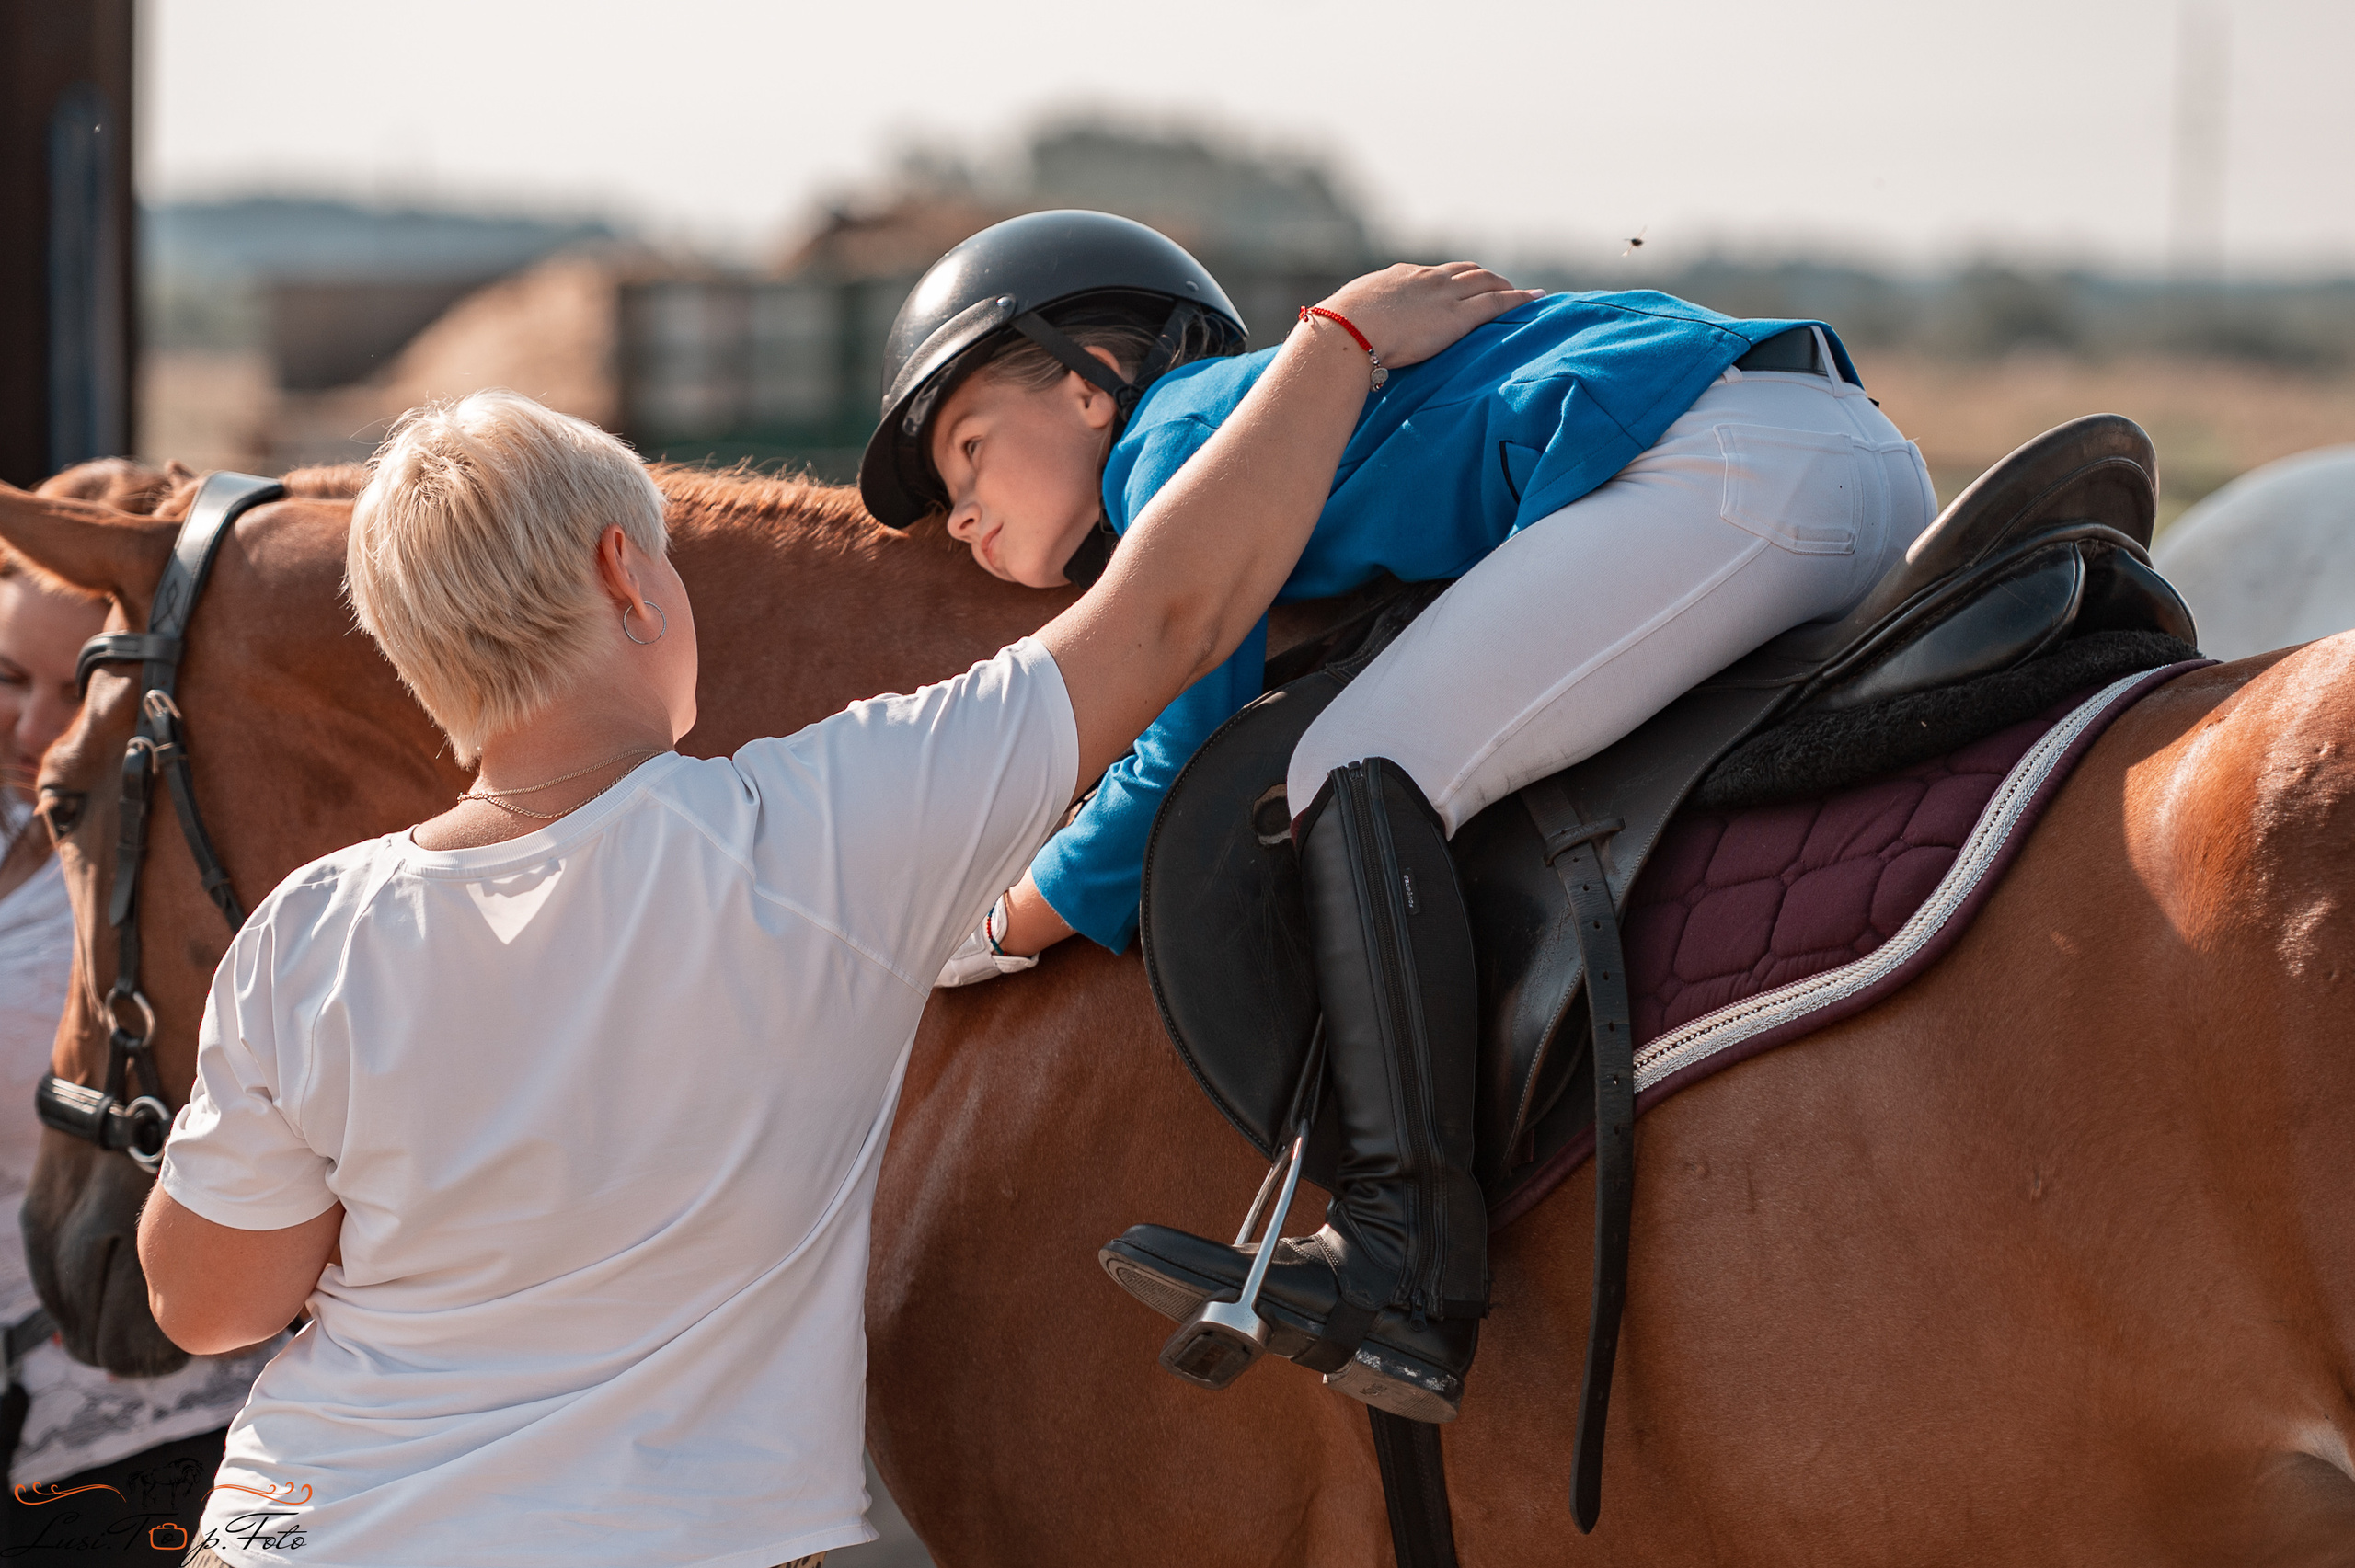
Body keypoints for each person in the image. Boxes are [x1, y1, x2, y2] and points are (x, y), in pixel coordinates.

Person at [133, 248, 1527, 1568]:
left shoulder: (312, 931)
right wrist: (1340, 344)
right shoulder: (825, 829)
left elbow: (208, 1305)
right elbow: (1172, 615)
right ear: (628, 574)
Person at [864, 211, 1937, 1419]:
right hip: (1843, 453)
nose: (959, 512)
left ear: (1085, 390)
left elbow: (1178, 748)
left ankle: (1400, 1251)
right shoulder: (1272, 419)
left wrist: (1000, 923)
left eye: (967, 452)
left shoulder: (1178, 435)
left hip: (1725, 472)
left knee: (1351, 762)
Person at [0, 562, 279, 1562]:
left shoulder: (196, 873)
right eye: (7, 679)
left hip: (135, 1425)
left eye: (80, 688)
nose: (35, 731)